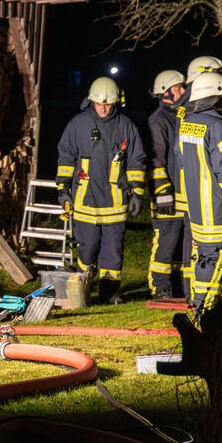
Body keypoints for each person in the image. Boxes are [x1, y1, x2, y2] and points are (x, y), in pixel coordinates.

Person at [56, 76, 147, 304]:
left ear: (117, 102)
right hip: (85, 200)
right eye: (99, 104)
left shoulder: (126, 126)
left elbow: (136, 160)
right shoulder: (78, 124)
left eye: (108, 104)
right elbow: (66, 157)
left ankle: (109, 292)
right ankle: (83, 287)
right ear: (91, 101)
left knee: (113, 250)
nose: (103, 108)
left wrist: (137, 192)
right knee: (87, 248)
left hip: (115, 201)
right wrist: (63, 189)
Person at [177, 71, 222, 315]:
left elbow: (181, 162)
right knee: (217, 266)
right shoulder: (218, 127)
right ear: (215, 97)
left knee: (205, 263)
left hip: (198, 213)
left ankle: (201, 309)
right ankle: (209, 316)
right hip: (219, 212)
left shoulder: (187, 124)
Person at [145, 69, 188, 299]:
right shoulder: (158, 120)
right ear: (166, 92)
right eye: (179, 87)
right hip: (167, 196)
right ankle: (160, 287)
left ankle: (180, 287)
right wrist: (163, 192)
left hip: (185, 195)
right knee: (166, 243)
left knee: (182, 245)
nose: (183, 90)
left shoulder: (183, 115)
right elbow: (156, 159)